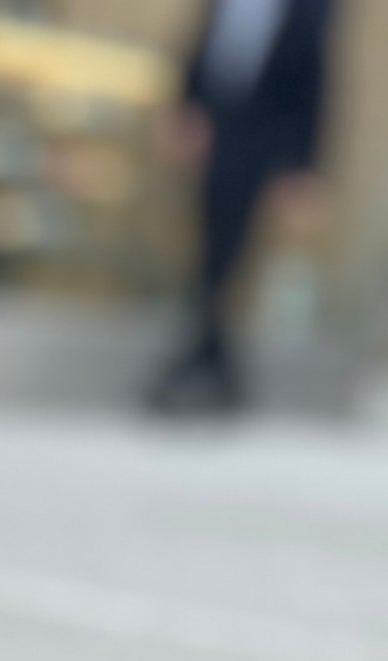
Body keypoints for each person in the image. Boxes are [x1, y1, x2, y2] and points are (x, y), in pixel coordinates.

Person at [148, 0, 334, 413]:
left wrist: (301, 166)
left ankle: (207, 363)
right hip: (212, 126)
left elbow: (316, 76)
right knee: (209, 248)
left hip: (263, 138)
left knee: (229, 252)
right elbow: (202, 48)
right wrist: (185, 107)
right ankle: (216, 367)